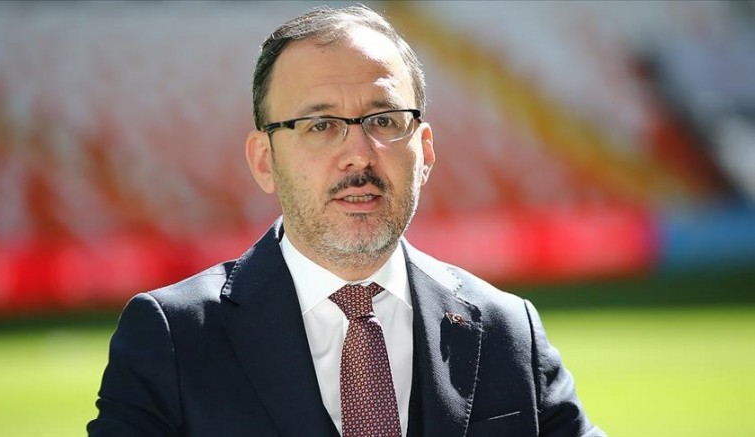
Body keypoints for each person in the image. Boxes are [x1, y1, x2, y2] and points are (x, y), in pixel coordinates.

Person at [88, 4, 604, 436]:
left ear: (425, 151)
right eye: (320, 125)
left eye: (384, 120)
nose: (359, 153)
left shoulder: (507, 330)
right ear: (264, 160)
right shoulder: (173, 338)